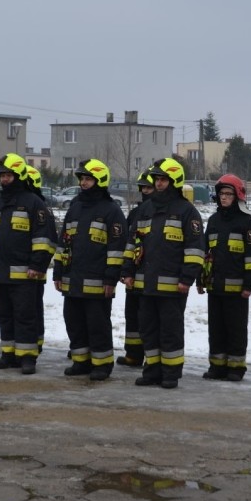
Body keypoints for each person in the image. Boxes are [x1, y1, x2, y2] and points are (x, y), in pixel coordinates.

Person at [122, 158, 205, 389]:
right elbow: (132, 244)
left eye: (163, 180)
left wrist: (187, 278)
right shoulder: (144, 211)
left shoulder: (187, 212)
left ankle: (170, 373)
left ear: (174, 181)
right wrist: (127, 272)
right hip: (145, 286)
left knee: (170, 332)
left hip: (172, 287)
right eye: (156, 179)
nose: (158, 184)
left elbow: (195, 249)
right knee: (148, 330)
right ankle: (152, 371)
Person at [0, 153, 56, 375]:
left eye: (8, 175)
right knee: (4, 315)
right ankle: (8, 353)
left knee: (25, 316)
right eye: (2, 175)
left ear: (19, 175)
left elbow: (45, 239)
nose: (4, 179)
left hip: (25, 275)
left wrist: (37, 266)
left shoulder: (34, 204)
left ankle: (28, 357)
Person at [53, 159, 127, 381]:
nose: (84, 183)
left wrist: (111, 279)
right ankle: (81, 361)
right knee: (74, 322)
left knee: (97, 325)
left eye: (88, 179)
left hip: (97, 282)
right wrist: (58, 272)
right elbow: (63, 242)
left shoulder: (111, 211)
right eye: (82, 179)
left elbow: (117, 249)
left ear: (100, 181)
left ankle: (102, 364)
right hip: (72, 280)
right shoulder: (74, 207)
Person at [196, 173, 251, 382]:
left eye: (228, 194)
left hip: (237, 290)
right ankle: (217, 366)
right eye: (221, 194)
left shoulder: (247, 222)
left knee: (236, 330)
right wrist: (201, 279)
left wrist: (249, 284)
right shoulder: (214, 221)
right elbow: (205, 253)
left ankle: (236, 368)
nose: (224, 198)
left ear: (237, 196)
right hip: (215, 287)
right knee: (216, 329)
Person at [116, 169, 155, 368]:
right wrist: (126, 270)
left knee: (149, 321)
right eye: (144, 188)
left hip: (151, 277)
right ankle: (133, 355)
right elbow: (128, 243)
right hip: (134, 275)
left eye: (150, 187)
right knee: (132, 316)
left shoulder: (160, 212)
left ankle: (151, 357)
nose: (146, 191)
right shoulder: (135, 213)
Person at [25, 164, 58, 354]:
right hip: (20, 269)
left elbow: (48, 241)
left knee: (33, 310)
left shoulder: (40, 208)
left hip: (34, 271)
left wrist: (38, 265)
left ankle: (36, 342)